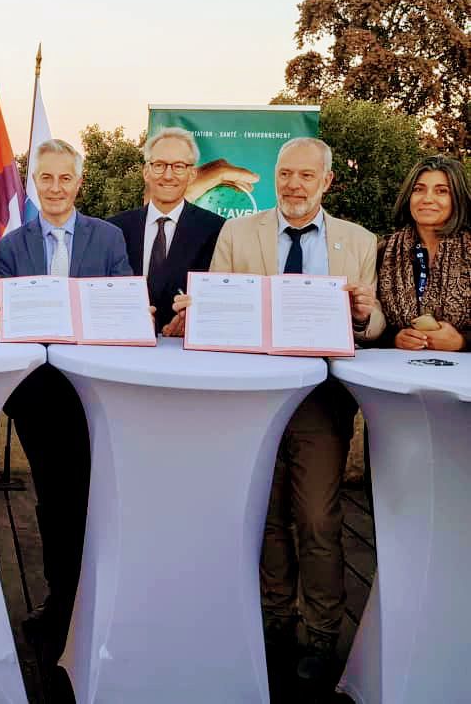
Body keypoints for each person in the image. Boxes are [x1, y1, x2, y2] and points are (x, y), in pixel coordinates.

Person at [173, 137, 384, 688]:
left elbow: (376, 323)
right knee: (265, 514)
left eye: (306, 176)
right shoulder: (238, 234)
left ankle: (322, 632)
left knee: (317, 517)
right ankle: (274, 619)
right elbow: (214, 306)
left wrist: (366, 314)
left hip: (320, 398)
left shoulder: (359, 241)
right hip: (254, 395)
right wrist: (198, 309)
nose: (293, 184)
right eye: (285, 173)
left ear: (326, 182)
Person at [0, 139, 132, 676]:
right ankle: (60, 598)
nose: (55, 188)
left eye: (64, 178)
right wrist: (1, 320)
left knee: (95, 495)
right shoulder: (11, 246)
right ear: (34, 184)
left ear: (78, 182)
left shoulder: (109, 238)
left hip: (96, 389)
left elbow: (121, 306)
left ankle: (95, 599)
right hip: (39, 394)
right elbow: (5, 312)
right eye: (45, 178)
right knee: (52, 498)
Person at [109, 127, 225, 334]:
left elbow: (221, 296)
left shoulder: (217, 230)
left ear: (192, 174)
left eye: (178, 166)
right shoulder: (115, 229)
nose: (168, 175)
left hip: (186, 345)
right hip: (127, 341)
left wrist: (194, 316)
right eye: (159, 165)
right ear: (146, 172)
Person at [376, 155, 471, 351]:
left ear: (457, 198)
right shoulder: (384, 251)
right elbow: (367, 325)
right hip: (398, 367)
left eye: (441, 191)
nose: (427, 199)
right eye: (419, 189)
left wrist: (462, 342)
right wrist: (394, 339)